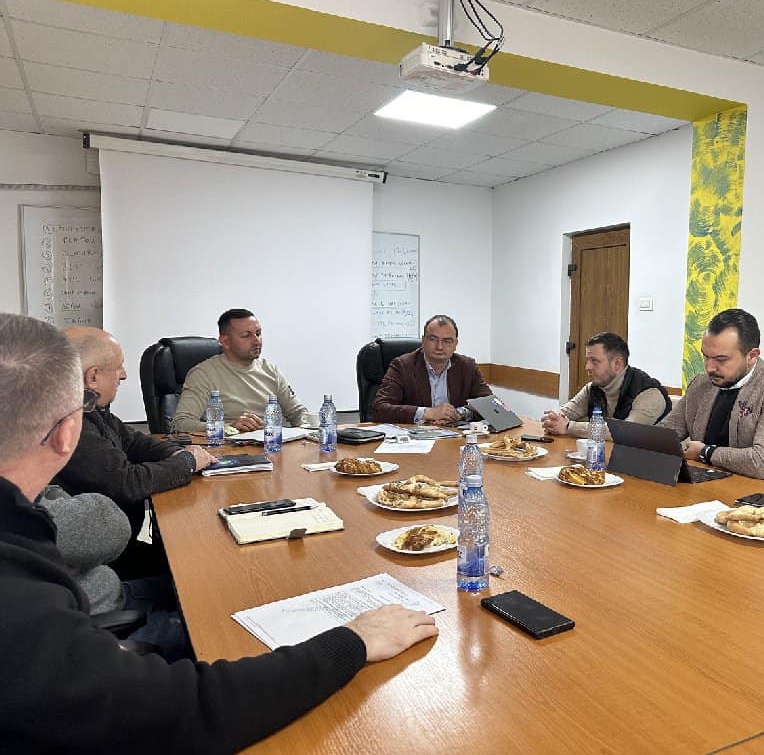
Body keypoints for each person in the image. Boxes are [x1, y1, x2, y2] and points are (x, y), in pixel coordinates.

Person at [0, 313, 438, 752]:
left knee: (212, 580)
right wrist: (353, 641)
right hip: (126, 653)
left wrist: (180, 458)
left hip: (107, 595)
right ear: (68, 433)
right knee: (223, 611)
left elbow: (140, 446)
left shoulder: (25, 530)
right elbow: (186, 709)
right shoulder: (20, 597)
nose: (125, 376)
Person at [55, 327, 214, 575]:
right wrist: (187, 463)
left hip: (119, 543)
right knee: (198, 564)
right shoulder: (69, 423)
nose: (124, 375)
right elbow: (126, 483)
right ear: (93, 377)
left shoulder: (86, 407)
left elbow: (132, 441)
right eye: (118, 367)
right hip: (102, 561)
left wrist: (175, 452)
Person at [36, 484, 191, 662]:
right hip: (97, 626)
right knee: (208, 623)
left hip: (109, 594)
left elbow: (49, 492)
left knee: (196, 586)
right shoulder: (19, 515)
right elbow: (111, 523)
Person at [659, 308, 764, 487]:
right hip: (707, 484)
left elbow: (761, 463)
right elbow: (666, 433)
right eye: (706, 357)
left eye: (721, 359)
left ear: (752, 356)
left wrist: (705, 452)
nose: (710, 367)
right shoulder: (701, 384)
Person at [171, 309, 311, 434]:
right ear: (226, 341)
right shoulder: (203, 374)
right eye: (246, 335)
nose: (256, 341)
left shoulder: (270, 370)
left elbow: (297, 412)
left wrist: (306, 429)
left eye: (258, 333)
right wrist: (228, 427)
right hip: (232, 448)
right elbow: (181, 423)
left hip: (273, 443)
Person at [540, 332, 671, 439]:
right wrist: (553, 418)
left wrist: (569, 427)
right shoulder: (593, 387)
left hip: (647, 461)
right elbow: (567, 411)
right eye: (588, 360)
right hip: (605, 456)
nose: (587, 367)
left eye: (594, 361)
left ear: (617, 364)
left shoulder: (649, 393)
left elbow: (627, 432)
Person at [372, 314, 492, 424]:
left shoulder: (467, 366)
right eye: (433, 339)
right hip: (415, 437)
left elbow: (491, 404)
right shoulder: (402, 366)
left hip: (456, 437)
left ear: (455, 344)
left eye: (447, 341)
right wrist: (428, 413)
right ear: (423, 340)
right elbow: (379, 409)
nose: (439, 347)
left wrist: (460, 413)